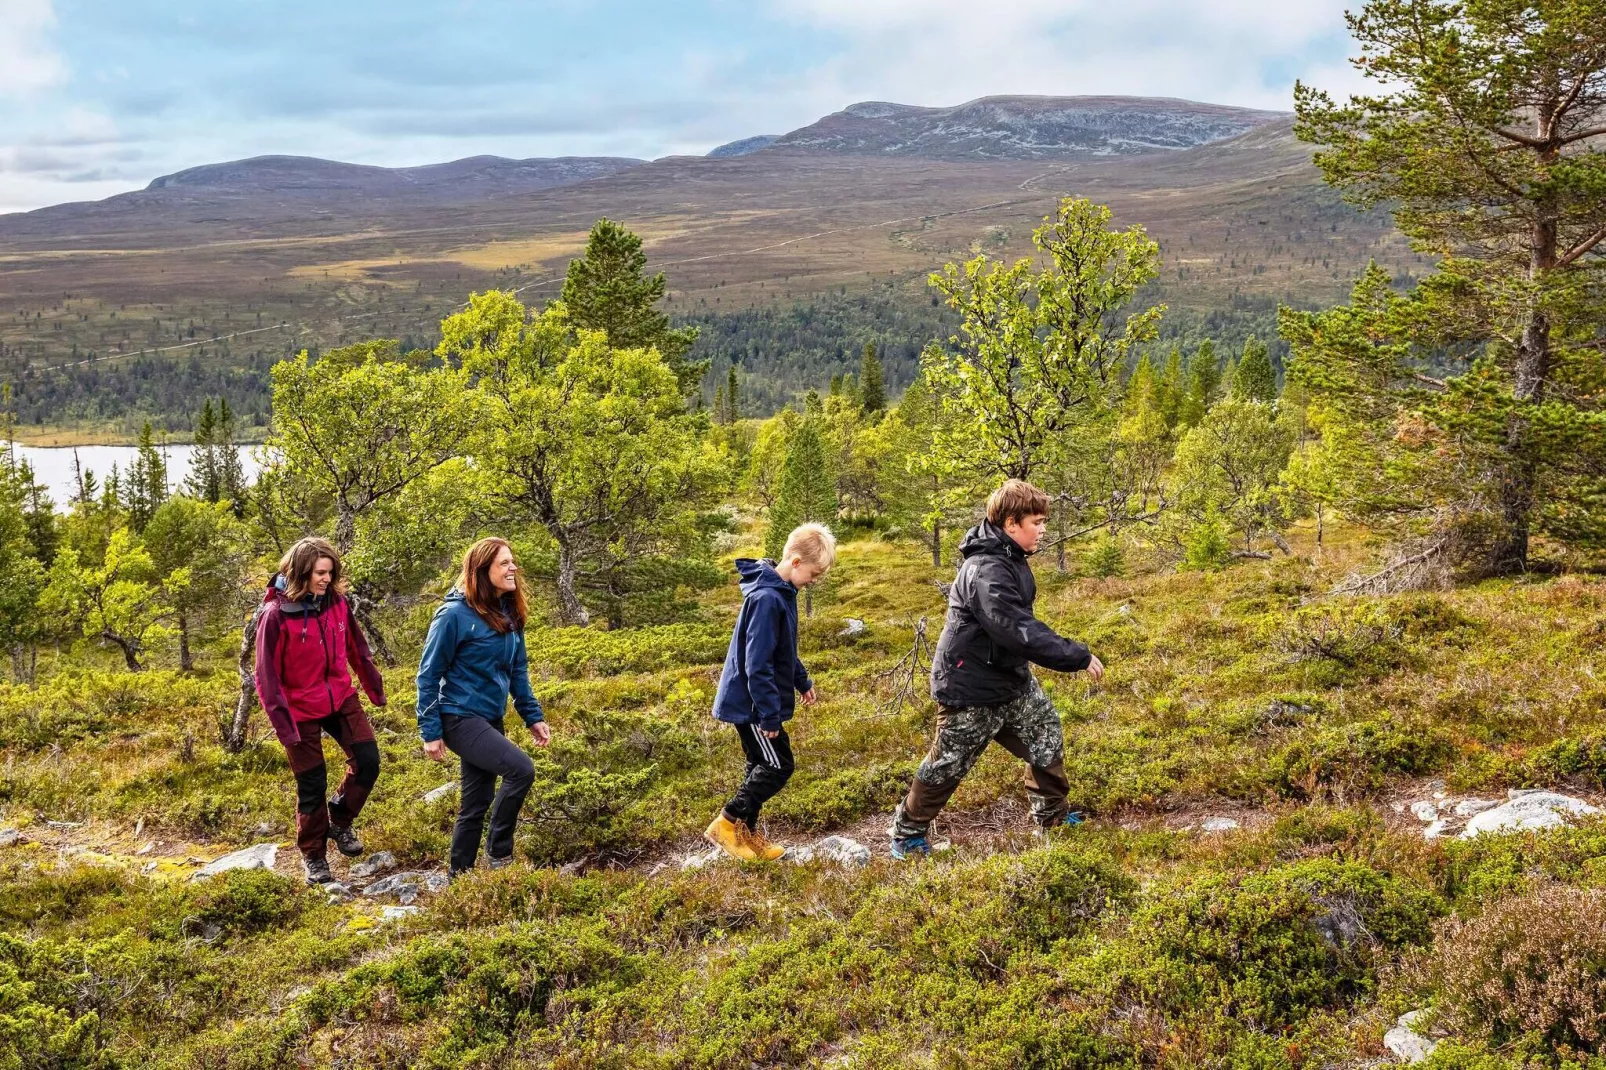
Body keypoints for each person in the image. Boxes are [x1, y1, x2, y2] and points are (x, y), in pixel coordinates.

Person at [889, 480, 1106, 860]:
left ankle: (1051, 818)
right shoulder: (986, 569)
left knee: (1046, 734)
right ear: (1010, 523)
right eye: (1036, 522)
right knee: (948, 763)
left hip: (1010, 680)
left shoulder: (1010, 557)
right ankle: (906, 834)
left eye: (1044, 521)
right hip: (969, 686)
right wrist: (1077, 656)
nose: (1043, 529)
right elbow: (1017, 629)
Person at [255, 536, 386, 887]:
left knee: (368, 761)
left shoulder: (336, 603)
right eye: (319, 573)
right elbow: (266, 677)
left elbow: (357, 647)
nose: (326, 579)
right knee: (312, 784)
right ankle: (313, 856)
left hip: (340, 697)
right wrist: (285, 728)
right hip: (298, 710)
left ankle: (340, 820)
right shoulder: (275, 615)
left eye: (330, 572)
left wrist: (373, 688)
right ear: (300, 573)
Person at [416, 537, 550, 877]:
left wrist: (532, 716)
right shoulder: (453, 615)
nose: (513, 568)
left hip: (490, 717)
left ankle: (458, 877)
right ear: (482, 570)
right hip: (459, 717)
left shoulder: (509, 612)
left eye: (512, 561)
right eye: (504, 563)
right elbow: (428, 675)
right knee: (522, 770)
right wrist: (430, 731)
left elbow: (517, 669)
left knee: (475, 803)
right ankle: (500, 853)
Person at [704, 522, 835, 862]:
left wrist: (801, 680)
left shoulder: (781, 593)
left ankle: (745, 837)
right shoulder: (766, 598)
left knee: (759, 763)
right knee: (778, 765)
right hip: (751, 704)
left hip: (754, 702)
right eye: (813, 573)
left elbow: (783, 650)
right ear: (794, 561)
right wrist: (768, 714)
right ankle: (728, 823)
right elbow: (757, 664)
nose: (814, 581)